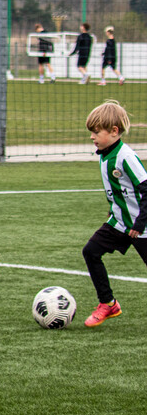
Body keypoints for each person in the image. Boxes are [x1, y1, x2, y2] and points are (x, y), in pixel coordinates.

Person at [81, 100, 145, 327]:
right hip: (118, 223)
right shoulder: (105, 153)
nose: (92, 137)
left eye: (96, 132)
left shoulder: (125, 157)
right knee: (91, 251)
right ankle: (108, 303)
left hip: (140, 227)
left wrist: (140, 223)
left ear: (114, 132)